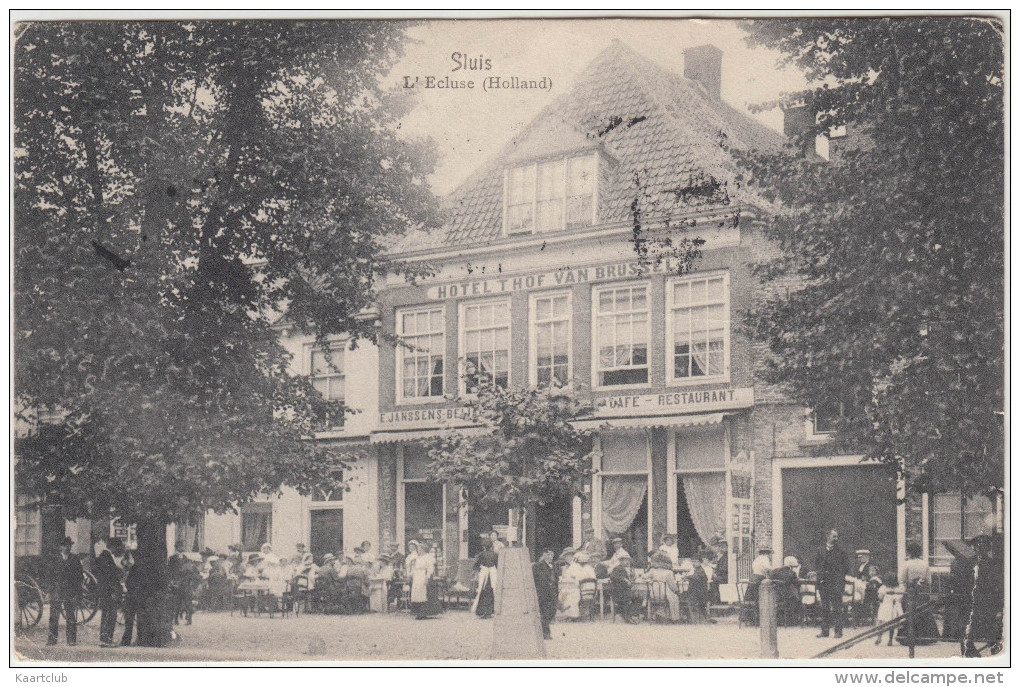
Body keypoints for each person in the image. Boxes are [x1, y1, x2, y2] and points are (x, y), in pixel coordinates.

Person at [47, 536, 83, 646]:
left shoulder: (75, 559)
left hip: (70, 591)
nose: (67, 547)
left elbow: (79, 577)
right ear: (60, 547)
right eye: (65, 545)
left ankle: (71, 640)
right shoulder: (54, 559)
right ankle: (52, 640)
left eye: (69, 545)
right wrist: (50, 591)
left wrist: (77, 593)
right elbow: (50, 576)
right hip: (56, 591)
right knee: (54, 616)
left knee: (71, 616)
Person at [814, 529, 849, 638]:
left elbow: (846, 567)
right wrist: (820, 576)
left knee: (837, 607)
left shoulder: (841, 551)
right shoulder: (820, 550)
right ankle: (825, 631)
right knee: (825, 607)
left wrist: (838, 576)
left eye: (837, 537)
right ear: (827, 536)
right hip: (823, 583)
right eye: (834, 536)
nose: (836, 539)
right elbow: (816, 565)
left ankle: (838, 632)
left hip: (836, 583)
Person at [95, 537, 127, 647]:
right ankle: (107, 639)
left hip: (105, 590)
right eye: (116, 547)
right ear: (112, 547)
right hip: (110, 591)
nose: (117, 550)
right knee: (111, 614)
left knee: (106, 614)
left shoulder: (103, 557)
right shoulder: (106, 557)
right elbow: (110, 577)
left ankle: (104, 638)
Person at [406, 540, 441, 619]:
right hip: (417, 577)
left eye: (420, 549)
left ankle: (423, 612)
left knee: (424, 594)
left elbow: (430, 568)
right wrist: (410, 574)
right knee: (417, 593)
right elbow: (415, 568)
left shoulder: (428, 557)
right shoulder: (418, 558)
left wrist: (427, 577)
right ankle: (418, 611)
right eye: (418, 549)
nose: (419, 551)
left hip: (423, 576)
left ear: (424, 550)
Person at [769, 555, 803, 626]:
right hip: (787, 597)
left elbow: (770, 580)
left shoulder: (775, 571)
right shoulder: (792, 573)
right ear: (791, 565)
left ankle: (780, 619)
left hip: (776, 596)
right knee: (797, 598)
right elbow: (797, 584)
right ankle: (794, 620)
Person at [646, 552, 681, 622]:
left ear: (660, 562)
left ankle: (660, 613)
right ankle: (674, 617)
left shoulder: (652, 571)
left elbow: (644, 576)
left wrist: (650, 580)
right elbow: (672, 586)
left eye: (653, 562)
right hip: (664, 595)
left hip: (653, 595)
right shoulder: (669, 572)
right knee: (675, 597)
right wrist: (677, 590)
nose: (652, 563)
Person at [532, 549, 558, 639]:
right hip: (542, 593)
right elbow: (535, 580)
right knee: (545, 613)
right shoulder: (537, 566)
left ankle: (543, 631)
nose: (550, 557)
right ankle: (546, 633)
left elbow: (556, 579)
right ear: (544, 555)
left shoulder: (554, 566)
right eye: (548, 554)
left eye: (551, 555)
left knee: (552, 611)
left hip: (552, 593)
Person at [609, 553, 639, 623]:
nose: (627, 562)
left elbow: (628, 582)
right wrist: (625, 580)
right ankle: (629, 616)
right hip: (619, 593)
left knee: (637, 596)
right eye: (626, 560)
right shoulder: (617, 568)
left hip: (623, 591)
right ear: (621, 561)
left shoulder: (624, 569)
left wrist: (632, 580)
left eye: (628, 560)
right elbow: (613, 576)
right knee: (638, 597)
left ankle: (630, 615)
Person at [471, 541, 499, 619]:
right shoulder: (495, 554)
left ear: (484, 547)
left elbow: (476, 565)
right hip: (492, 575)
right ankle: (490, 611)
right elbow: (497, 565)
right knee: (492, 592)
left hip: (484, 576)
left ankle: (482, 611)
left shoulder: (481, 554)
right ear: (491, 547)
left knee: (482, 592)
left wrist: (477, 570)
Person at [874, 573, 903, 646]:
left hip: (885, 607)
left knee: (881, 624)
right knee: (892, 625)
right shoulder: (898, 588)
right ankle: (890, 640)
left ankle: (879, 637)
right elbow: (900, 599)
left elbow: (880, 597)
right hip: (894, 607)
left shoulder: (883, 587)